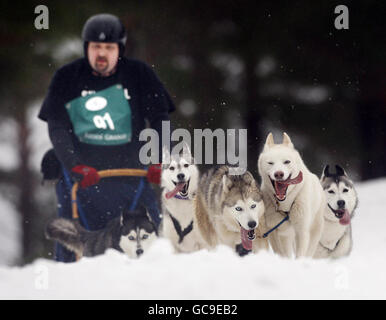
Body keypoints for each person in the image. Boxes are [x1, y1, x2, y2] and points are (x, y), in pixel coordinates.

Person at [39, 13, 175, 262]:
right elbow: (57, 126)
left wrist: (160, 160)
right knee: (73, 239)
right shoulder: (67, 77)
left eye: (109, 48)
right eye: (96, 47)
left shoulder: (139, 74)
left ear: (119, 49)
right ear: (86, 48)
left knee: (151, 245)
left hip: (133, 174)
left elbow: (160, 119)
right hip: (82, 175)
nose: (102, 54)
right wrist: (72, 163)